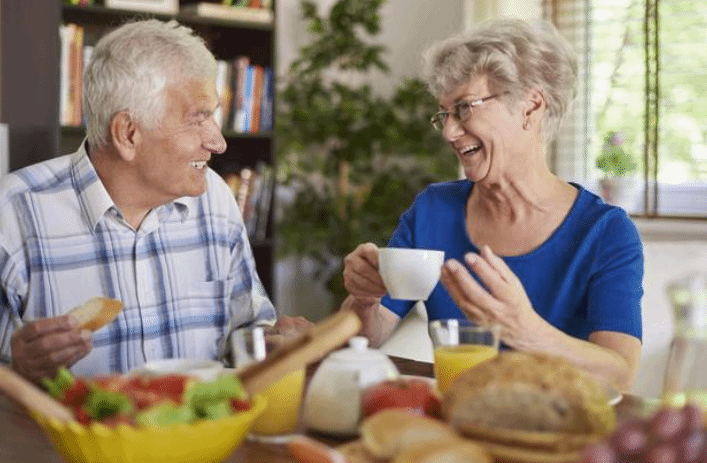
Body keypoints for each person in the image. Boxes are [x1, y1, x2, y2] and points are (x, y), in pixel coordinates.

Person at [0, 19, 310, 384]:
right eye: (199, 119)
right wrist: (18, 371)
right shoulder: (12, 214)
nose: (218, 142)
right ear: (128, 134)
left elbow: (246, 332)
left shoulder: (216, 200)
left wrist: (271, 345)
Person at [342, 19, 643, 392]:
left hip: (556, 436)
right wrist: (364, 299)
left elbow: (620, 373)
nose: (450, 132)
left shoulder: (605, 232)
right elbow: (368, 336)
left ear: (531, 108)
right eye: (444, 114)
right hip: (458, 422)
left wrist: (525, 330)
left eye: (465, 108)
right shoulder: (433, 210)